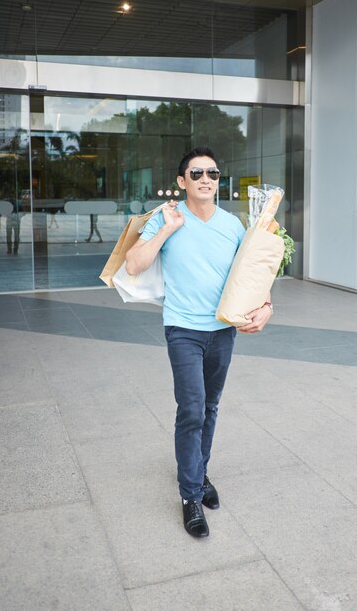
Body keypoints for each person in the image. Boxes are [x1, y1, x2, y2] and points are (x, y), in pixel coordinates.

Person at [125, 146, 272, 538]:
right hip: (183, 329)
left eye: (212, 173)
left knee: (209, 405)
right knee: (191, 408)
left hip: (222, 328)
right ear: (181, 182)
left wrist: (266, 305)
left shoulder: (232, 226)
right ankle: (191, 495)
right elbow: (134, 264)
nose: (206, 179)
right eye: (196, 174)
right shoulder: (167, 218)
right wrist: (169, 229)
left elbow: (252, 275)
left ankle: (199, 473)